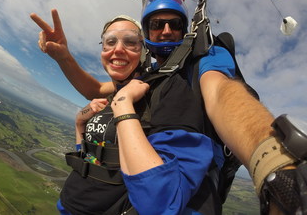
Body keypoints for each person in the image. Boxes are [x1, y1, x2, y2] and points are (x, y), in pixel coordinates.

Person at [30, 0, 299, 214]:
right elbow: (96, 89)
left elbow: (221, 92)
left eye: (174, 24)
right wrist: (64, 59)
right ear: (148, 31)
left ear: (185, 28)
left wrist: (272, 159)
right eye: (157, 25)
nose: (166, 31)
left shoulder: (203, 59)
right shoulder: (144, 79)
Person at [56, 14, 218, 215]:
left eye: (130, 41)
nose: (118, 48)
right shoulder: (110, 94)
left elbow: (162, 201)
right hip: (68, 205)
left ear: (143, 51)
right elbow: (90, 157)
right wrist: (80, 126)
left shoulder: (162, 90)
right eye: (110, 41)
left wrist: (123, 105)